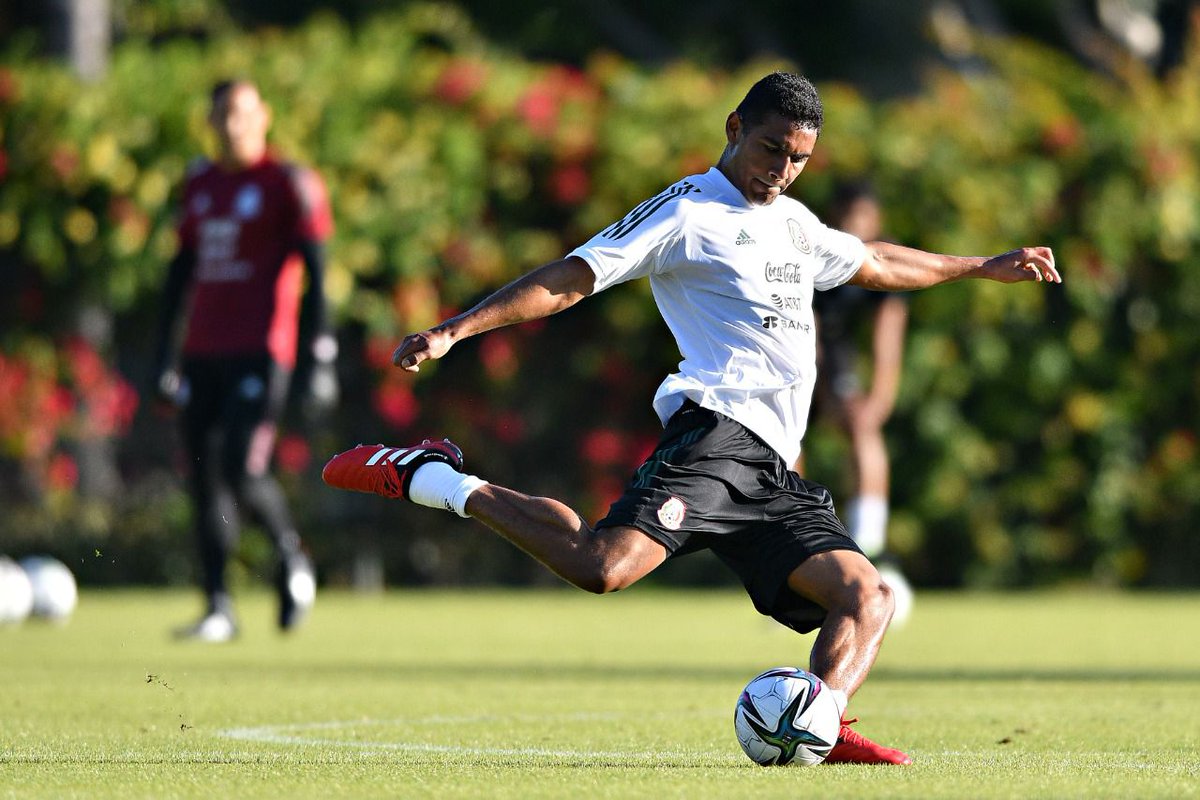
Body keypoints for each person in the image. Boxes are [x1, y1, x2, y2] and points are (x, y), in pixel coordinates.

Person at [323, 72, 1059, 763]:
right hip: (715, 437)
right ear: (735, 127)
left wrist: (981, 265)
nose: (782, 169)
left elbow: (874, 261)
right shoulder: (688, 211)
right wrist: (456, 329)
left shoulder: (797, 226)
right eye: (771, 148)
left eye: (799, 158)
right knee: (602, 568)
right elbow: (574, 278)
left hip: (773, 467)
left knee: (868, 597)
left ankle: (820, 722)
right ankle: (438, 479)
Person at [151, 79, 336, 642]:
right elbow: (180, 272)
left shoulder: (288, 183)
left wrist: (320, 356)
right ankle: (217, 607)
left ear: (263, 117)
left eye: (241, 113)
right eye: (222, 114)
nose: (232, 125)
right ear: (210, 120)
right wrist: (165, 356)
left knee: (241, 466)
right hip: (202, 353)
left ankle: (290, 557)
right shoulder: (200, 184)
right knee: (205, 479)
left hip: (261, 353)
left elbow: (317, 274)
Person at [808, 181, 914, 619]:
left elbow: (886, 340)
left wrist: (878, 398)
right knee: (782, 451)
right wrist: (815, 390)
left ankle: (871, 544)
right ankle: (789, 547)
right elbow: (805, 330)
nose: (856, 227)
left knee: (862, 427)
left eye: (864, 219)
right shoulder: (812, 260)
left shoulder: (883, 271)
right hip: (797, 362)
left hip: (843, 368)